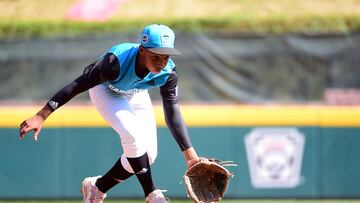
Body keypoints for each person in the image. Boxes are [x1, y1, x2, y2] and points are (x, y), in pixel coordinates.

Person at [19, 24, 200, 203]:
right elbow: (77, 86)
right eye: (156, 56)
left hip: (135, 93)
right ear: (142, 50)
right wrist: (42, 115)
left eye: (165, 57)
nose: (161, 63)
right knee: (133, 135)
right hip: (105, 90)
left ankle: (97, 187)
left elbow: (172, 112)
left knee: (148, 155)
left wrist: (190, 157)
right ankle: (152, 194)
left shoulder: (168, 72)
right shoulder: (114, 62)